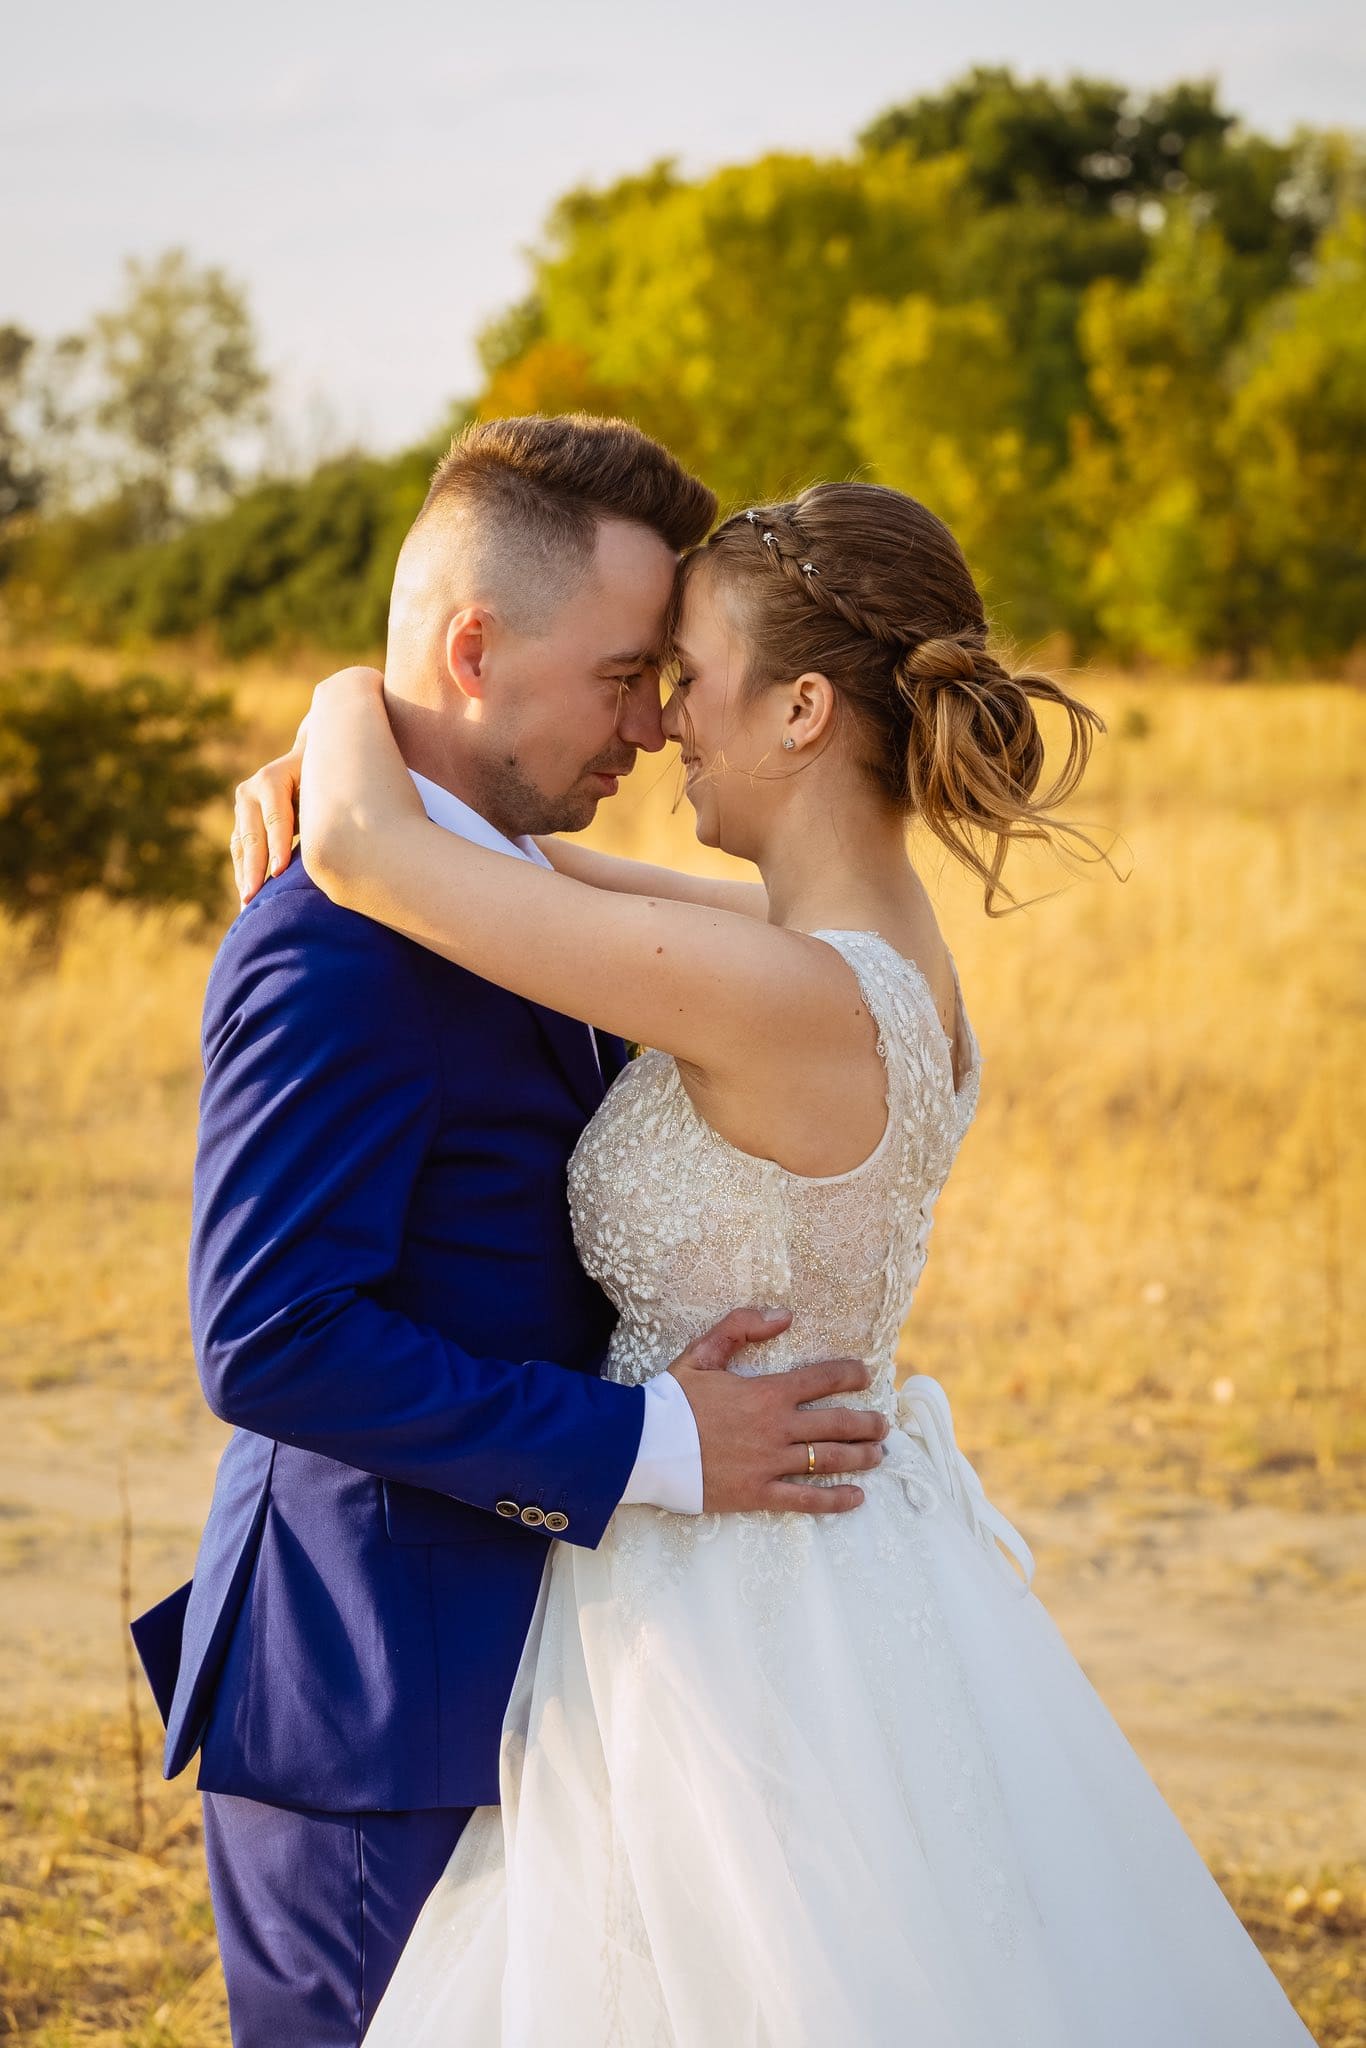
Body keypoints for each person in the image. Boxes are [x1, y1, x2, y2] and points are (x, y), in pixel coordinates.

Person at [239, 474, 1319, 2043]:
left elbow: (362, 844)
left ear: (803, 708)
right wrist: (391, 734)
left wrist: (350, 697)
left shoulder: (775, 995)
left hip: (727, 1601)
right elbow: (506, 863)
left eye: (691, 675)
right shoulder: (861, 964)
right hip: (832, 1562)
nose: (665, 721)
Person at [130, 416, 889, 2048]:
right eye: (623, 676)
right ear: (473, 650)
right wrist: (657, 1442)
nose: (652, 725)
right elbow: (270, 1335)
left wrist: (341, 712)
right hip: (379, 1707)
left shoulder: (514, 893)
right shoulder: (333, 941)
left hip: (562, 1675)